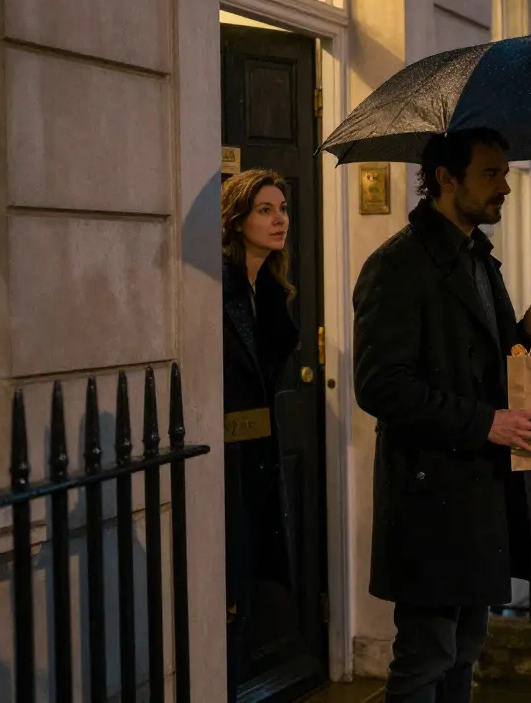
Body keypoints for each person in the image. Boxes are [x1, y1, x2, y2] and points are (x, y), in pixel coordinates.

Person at [353, 128, 531, 703]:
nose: (506, 189)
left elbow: (476, 359)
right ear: (447, 178)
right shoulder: (397, 265)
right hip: (430, 492)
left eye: (506, 173)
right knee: (426, 655)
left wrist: (525, 332)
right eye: (491, 174)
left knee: (466, 645)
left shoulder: (478, 257)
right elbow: (380, 385)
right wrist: (486, 423)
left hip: (480, 490)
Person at [220, 169, 301, 697]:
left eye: (282, 209)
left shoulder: (270, 290)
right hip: (224, 461)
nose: (279, 220)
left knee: (250, 584)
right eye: (265, 210)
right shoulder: (218, 284)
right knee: (228, 583)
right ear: (237, 219)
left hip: (257, 455)